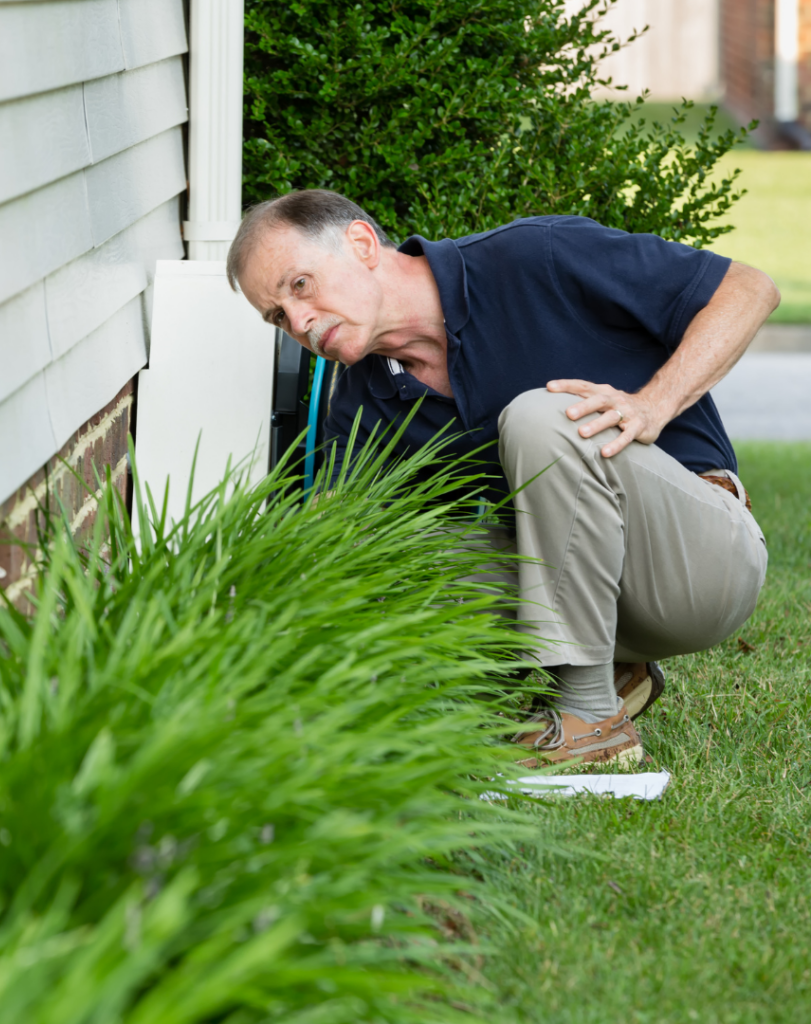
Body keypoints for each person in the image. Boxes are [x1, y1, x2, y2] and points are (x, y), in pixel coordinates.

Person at [227, 189, 776, 767]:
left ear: (361, 243)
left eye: (300, 286)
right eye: (278, 316)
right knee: (376, 548)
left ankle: (590, 718)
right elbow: (332, 540)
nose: (301, 323)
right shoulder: (365, 402)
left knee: (542, 418)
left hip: (700, 568)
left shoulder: (536, 256)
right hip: (598, 598)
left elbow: (749, 289)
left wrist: (652, 405)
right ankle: (608, 670)